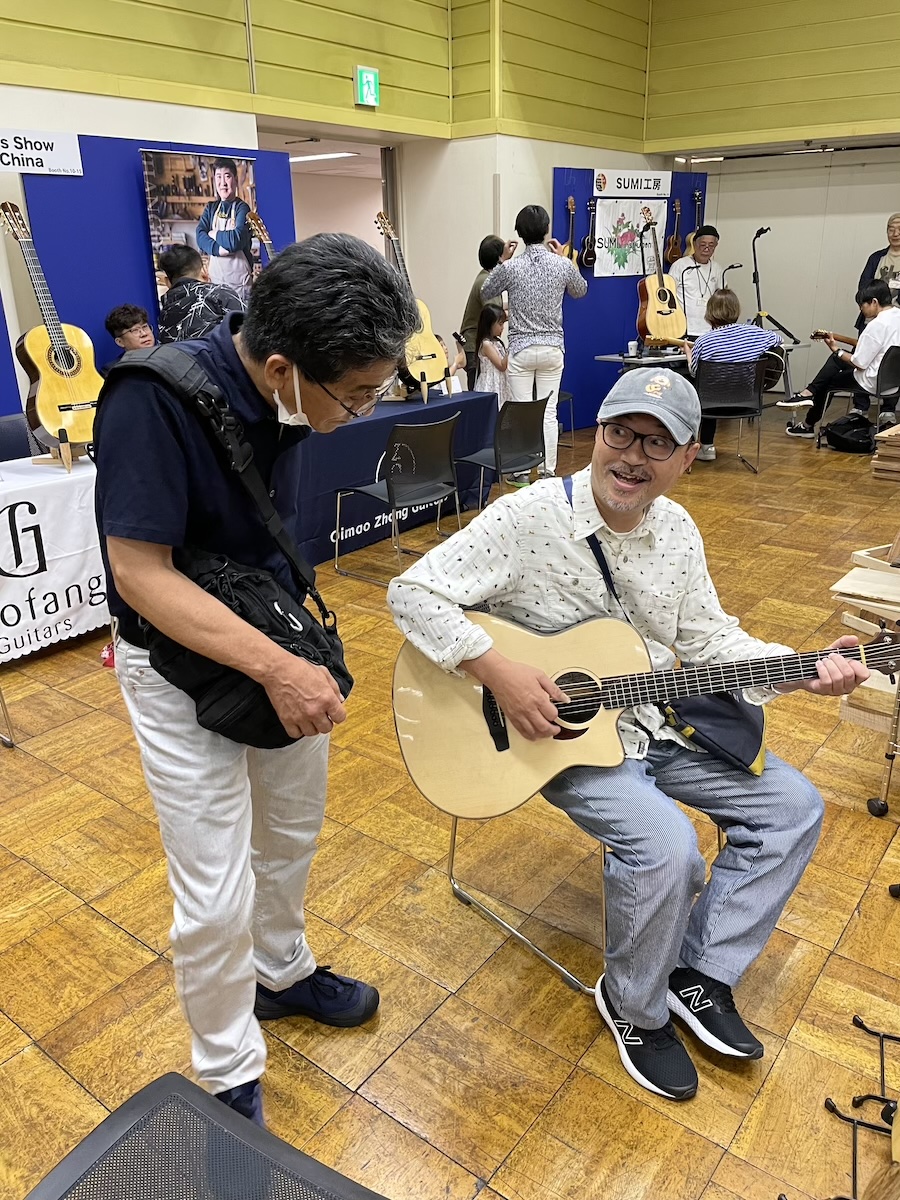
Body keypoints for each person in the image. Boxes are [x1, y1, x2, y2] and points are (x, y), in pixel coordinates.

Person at [386, 369, 867, 1103]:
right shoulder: (529, 518)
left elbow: (709, 640)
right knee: (667, 847)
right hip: (552, 740)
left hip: (654, 723)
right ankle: (634, 1005)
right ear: (596, 434)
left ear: (688, 457)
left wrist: (804, 670)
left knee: (794, 807)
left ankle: (700, 974)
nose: (632, 457)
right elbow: (411, 591)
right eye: (620, 433)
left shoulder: (678, 531)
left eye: (657, 443)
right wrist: (501, 673)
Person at [93, 234, 420, 1126]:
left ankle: (280, 973)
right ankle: (228, 1072)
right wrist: (278, 668)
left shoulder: (291, 391)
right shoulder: (150, 401)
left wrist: (287, 661)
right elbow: (140, 574)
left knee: (290, 834)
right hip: (178, 667)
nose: (364, 410)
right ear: (282, 369)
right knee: (212, 893)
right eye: (357, 395)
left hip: (274, 641)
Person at [481, 205, 587, 479]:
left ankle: (521, 472)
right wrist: (565, 259)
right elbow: (580, 290)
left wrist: (502, 261)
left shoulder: (511, 267)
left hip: (521, 349)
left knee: (521, 412)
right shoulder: (561, 264)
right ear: (546, 230)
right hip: (552, 348)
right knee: (549, 413)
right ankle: (548, 471)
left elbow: (486, 291)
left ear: (519, 232)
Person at [785, 280, 900, 437]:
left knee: (828, 380)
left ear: (874, 302)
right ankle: (808, 394)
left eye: (862, 305)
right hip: (893, 383)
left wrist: (835, 349)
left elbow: (860, 364)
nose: (861, 310)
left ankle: (807, 423)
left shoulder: (876, 325)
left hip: (872, 381)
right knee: (838, 359)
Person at [685, 288, 781, 461]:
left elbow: (694, 372)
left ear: (710, 312)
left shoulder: (703, 341)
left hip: (710, 404)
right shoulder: (755, 333)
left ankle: (705, 447)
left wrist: (688, 353)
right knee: (719, 387)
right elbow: (778, 340)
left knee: (706, 387)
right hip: (746, 400)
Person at [158, 244, 244, 343]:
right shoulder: (221, 294)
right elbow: (251, 328)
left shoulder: (163, 315)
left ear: (167, 282)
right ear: (203, 271)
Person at [196, 157, 253, 298]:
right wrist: (219, 250)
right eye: (218, 177)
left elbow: (235, 240)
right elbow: (200, 236)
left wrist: (213, 234)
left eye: (227, 176)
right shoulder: (211, 208)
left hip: (239, 287)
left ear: (235, 180)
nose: (223, 183)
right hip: (216, 283)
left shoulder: (242, 209)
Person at [460, 235, 505, 388]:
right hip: (475, 344)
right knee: (478, 391)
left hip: (474, 343)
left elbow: (498, 307)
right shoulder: (487, 281)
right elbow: (495, 316)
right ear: (498, 257)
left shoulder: (485, 276)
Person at [668, 226, 725, 338]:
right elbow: (668, 295)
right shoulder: (680, 265)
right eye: (703, 245)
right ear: (694, 244)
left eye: (711, 245)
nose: (707, 249)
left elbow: (722, 298)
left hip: (709, 330)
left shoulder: (717, 269)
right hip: (684, 328)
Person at [855, 213, 900, 329]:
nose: (895, 234)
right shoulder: (876, 258)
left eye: (899, 229)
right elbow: (863, 286)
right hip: (872, 319)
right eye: (891, 230)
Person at [101, 305, 156, 376]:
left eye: (145, 327)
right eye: (135, 330)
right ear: (120, 342)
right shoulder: (113, 370)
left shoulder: (167, 356)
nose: (144, 334)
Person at [473, 303, 509, 408]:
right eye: (500, 324)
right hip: (490, 384)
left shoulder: (497, 342)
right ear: (490, 324)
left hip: (500, 382)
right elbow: (501, 365)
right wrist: (512, 347)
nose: (502, 327)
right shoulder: (486, 344)